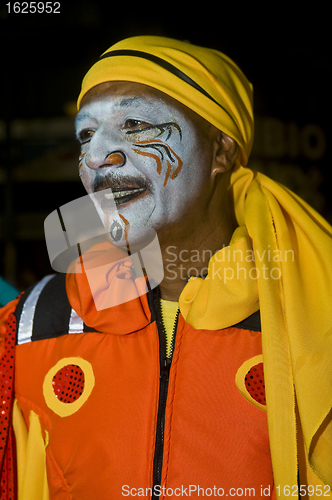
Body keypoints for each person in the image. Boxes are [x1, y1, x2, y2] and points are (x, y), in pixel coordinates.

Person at [0, 36, 331, 500]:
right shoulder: (32, 326)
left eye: (134, 123)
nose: (97, 157)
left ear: (221, 151)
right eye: (86, 135)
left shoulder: (312, 315)